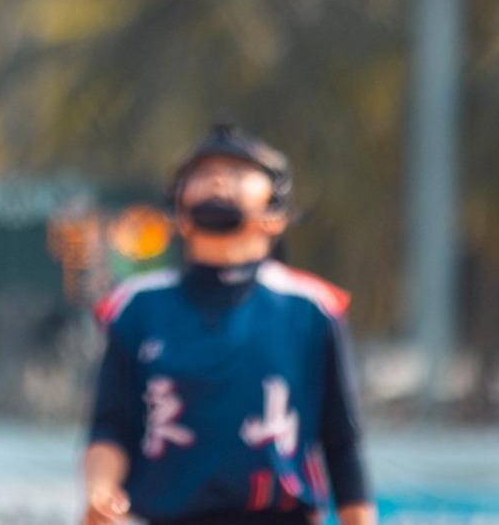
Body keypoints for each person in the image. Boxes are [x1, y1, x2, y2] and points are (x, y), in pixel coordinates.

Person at [81, 123, 377, 525]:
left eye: (237, 172)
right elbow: (111, 426)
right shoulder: (136, 307)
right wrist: (100, 493)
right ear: (178, 215)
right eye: (200, 175)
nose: (216, 180)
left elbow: (342, 444)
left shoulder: (310, 308)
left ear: (275, 215)